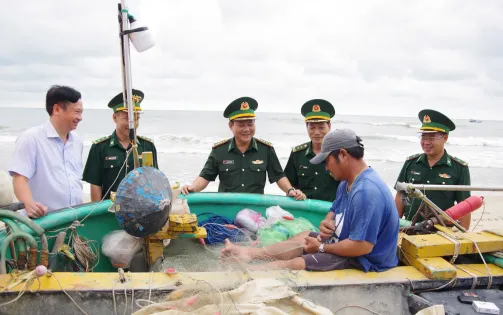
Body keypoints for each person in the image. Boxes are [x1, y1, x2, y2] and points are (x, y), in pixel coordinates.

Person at [221, 129, 400, 272]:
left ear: (343, 155)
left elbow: (362, 247)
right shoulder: (347, 182)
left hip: (365, 261)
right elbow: (334, 209)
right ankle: (249, 254)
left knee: (295, 264)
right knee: (304, 237)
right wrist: (327, 220)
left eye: (326, 161)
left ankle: (247, 274)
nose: (325, 167)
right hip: (345, 244)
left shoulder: (366, 192)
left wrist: (322, 247)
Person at [181, 96, 305, 200]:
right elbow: (205, 176)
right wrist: (192, 188)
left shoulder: (266, 149)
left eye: (250, 124)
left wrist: (290, 190)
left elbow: (278, 176)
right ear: (231, 126)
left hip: (255, 209)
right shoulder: (219, 150)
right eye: (241, 125)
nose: (246, 129)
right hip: (226, 207)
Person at [8, 85, 84, 218]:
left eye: (81, 112)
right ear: (57, 109)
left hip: (74, 219)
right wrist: (29, 204)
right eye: (77, 112)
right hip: (43, 221)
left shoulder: (77, 142)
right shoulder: (31, 138)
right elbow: (20, 178)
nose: (80, 117)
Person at [394, 109, 471, 229]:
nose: (426, 142)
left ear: (445, 138)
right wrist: (394, 226)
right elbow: (400, 195)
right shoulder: (410, 163)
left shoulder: (459, 168)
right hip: (409, 228)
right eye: (423, 137)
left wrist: (465, 237)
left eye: (431, 138)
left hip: (442, 231)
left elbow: (465, 205)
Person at [82, 89, 158, 201]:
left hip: (140, 210)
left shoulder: (148, 146)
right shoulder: (100, 147)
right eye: (127, 118)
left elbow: (154, 180)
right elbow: (95, 185)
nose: (132, 124)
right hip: (110, 210)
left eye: (136, 118)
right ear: (114, 118)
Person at [284, 99, 340, 202]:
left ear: (329, 127)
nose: (317, 132)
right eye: (312, 128)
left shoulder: (339, 154)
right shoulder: (297, 154)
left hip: (331, 212)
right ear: (307, 128)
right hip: (303, 210)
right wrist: (294, 191)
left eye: (321, 127)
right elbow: (289, 183)